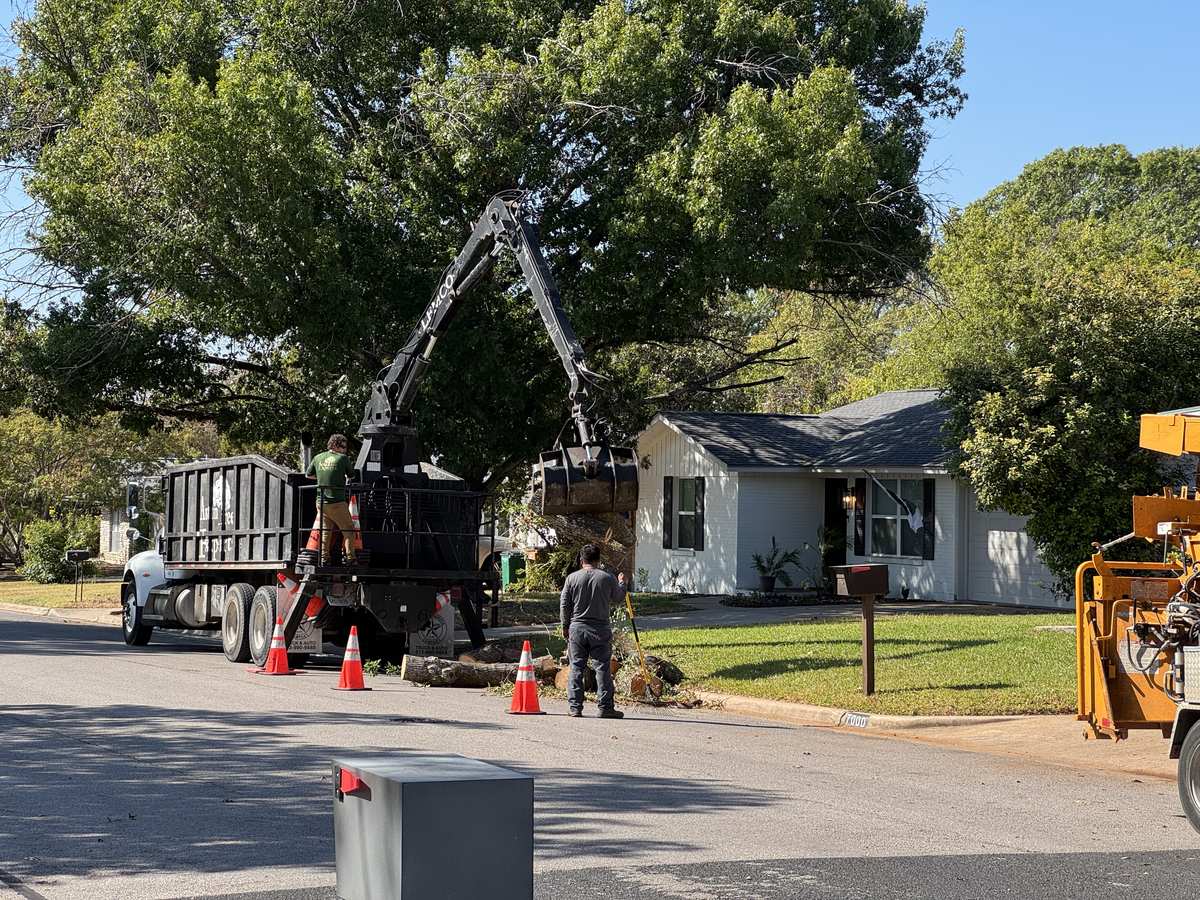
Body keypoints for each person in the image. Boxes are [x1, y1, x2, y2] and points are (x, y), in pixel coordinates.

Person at [560, 544, 626, 719]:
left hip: (577, 628)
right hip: (600, 629)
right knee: (602, 668)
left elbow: (565, 605)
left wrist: (565, 626)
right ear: (598, 560)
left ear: (582, 560)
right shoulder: (607, 577)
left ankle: (575, 707)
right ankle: (605, 707)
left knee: (576, 667)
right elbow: (619, 598)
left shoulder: (572, 578)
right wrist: (622, 583)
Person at [305, 434, 357, 564]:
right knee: (349, 529)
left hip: (321, 502)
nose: (345, 449)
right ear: (335, 445)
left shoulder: (318, 457)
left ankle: (324, 559)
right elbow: (351, 475)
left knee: (325, 531)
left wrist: (323, 479)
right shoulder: (343, 458)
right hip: (337, 501)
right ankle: (351, 558)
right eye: (343, 446)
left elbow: (308, 475)